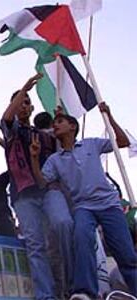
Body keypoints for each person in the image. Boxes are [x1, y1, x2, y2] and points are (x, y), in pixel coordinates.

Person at [29, 102, 137, 299]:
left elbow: (121, 142)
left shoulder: (91, 144)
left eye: (60, 121)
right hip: (83, 208)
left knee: (126, 253)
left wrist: (109, 115)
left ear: (73, 126)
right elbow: (42, 182)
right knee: (81, 241)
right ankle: (85, 292)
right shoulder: (55, 159)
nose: (55, 126)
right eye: (54, 124)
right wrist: (35, 158)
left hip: (109, 205)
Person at [0, 73, 74, 299]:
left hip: (50, 191)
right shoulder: (12, 131)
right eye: (20, 101)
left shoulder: (45, 135)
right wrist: (24, 88)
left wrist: (61, 118)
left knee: (63, 226)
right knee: (35, 246)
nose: (24, 105)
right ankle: (46, 296)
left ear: (32, 109)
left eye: (27, 102)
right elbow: (7, 117)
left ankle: (72, 289)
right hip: (24, 196)